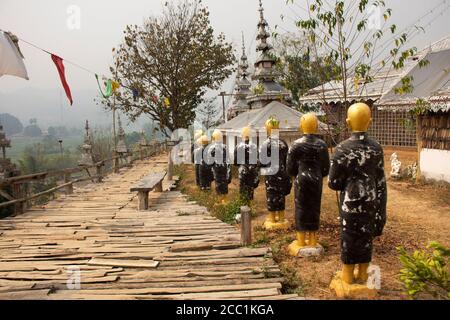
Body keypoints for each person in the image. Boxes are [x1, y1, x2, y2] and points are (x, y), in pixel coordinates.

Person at [328, 102, 387, 291]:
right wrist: (381, 209)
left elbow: (333, 182)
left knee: (350, 236)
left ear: (347, 122)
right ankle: (363, 274)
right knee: (365, 237)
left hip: (350, 202)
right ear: (369, 122)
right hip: (371, 200)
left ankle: (347, 278)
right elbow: (380, 181)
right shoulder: (376, 148)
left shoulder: (343, 149)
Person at [286, 113, 329, 255]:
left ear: (301, 126)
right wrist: (317, 174)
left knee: (301, 207)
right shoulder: (322, 145)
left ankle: (300, 240)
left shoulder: (296, 145)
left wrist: (297, 173)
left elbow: (290, 168)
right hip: (316, 179)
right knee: (314, 207)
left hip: (302, 178)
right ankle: (313, 240)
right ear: (316, 126)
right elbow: (325, 168)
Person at [259, 116, 292, 230]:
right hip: (282, 172)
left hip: (271, 173)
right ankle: (282, 217)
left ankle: (272, 218)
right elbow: (288, 160)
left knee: (272, 194)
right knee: (281, 194)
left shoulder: (265, 144)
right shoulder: (283, 143)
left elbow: (261, 162)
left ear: (268, 129)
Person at [234, 126, 259, 201]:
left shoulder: (238, 146)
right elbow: (257, 160)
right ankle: (250, 206)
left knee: (243, 189)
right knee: (250, 188)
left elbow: (235, 162)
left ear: (242, 135)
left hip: (242, 170)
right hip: (252, 170)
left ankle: (244, 205)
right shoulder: (254, 146)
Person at [208, 130, 231, 203]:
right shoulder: (225, 147)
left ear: (213, 138)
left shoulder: (211, 148)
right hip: (224, 167)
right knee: (224, 183)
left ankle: (219, 201)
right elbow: (228, 160)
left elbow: (209, 161)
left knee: (218, 184)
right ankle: (224, 200)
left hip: (216, 168)